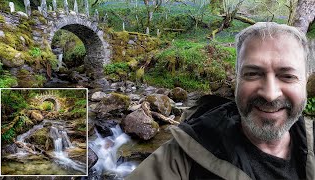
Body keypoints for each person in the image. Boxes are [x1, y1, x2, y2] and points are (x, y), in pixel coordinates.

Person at [126, 22, 314, 180]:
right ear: (236, 79)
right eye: (253, 74)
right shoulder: (180, 161)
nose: (270, 94)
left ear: (306, 80)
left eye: (287, 76)